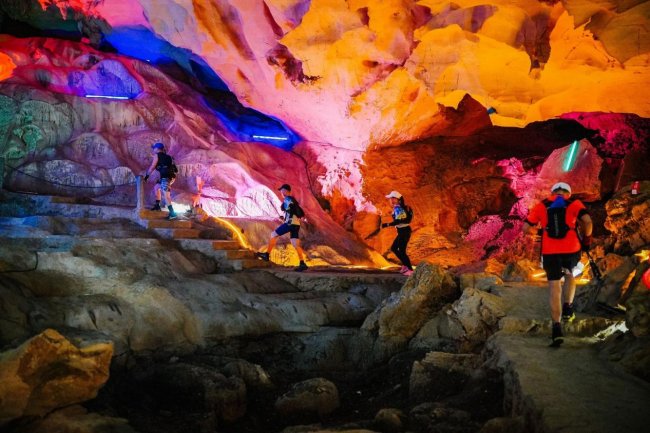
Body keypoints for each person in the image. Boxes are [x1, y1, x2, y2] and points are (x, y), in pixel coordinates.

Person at [523, 182, 593, 347]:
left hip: (550, 251)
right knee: (569, 274)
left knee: (554, 286)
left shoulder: (542, 205)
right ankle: (568, 307)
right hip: (571, 248)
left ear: (552, 192)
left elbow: (526, 227)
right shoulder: (573, 203)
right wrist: (587, 240)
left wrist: (541, 232)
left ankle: (556, 328)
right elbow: (588, 222)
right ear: (568, 193)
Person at [256, 184, 308, 272]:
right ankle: (302, 263)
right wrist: (284, 218)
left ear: (287, 191)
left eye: (282, 190)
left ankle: (267, 255)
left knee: (273, 234)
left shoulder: (287, 199)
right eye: (281, 191)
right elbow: (292, 211)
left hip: (290, 223)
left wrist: (284, 210)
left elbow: (286, 208)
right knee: (295, 243)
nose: (281, 192)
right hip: (296, 224)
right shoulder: (293, 200)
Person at [382, 191, 414, 276]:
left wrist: (387, 224)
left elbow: (398, 221)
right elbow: (401, 220)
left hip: (404, 231)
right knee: (396, 249)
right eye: (391, 198)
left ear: (399, 199)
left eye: (393, 198)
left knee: (400, 250)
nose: (391, 200)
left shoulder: (398, 208)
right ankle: (405, 266)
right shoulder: (400, 207)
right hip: (403, 231)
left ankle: (410, 269)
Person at [144, 142, 178, 220]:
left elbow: (152, 167)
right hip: (171, 177)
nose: (153, 149)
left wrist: (147, 176)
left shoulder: (157, 155)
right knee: (157, 187)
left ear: (157, 149)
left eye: (154, 148)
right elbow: (176, 170)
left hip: (166, 177)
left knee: (166, 196)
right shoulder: (169, 157)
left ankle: (172, 214)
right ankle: (157, 206)